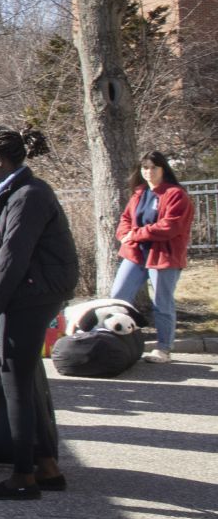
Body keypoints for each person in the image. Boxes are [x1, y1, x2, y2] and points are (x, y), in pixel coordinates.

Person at [0, 127, 77, 500]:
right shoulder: (19, 191)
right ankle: (46, 465)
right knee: (28, 381)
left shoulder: (28, 195)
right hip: (32, 291)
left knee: (16, 384)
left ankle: (23, 476)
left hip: (30, 294)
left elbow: (11, 259)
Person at [112, 152, 194, 364]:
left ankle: (163, 348)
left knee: (162, 303)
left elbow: (170, 226)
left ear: (163, 169)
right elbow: (126, 219)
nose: (148, 172)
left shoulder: (176, 194)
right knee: (118, 297)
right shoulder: (139, 192)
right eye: (145, 168)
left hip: (163, 256)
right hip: (135, 253)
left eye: (153, 168)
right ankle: (117, 342)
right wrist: (124, 235)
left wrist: (136, 234)